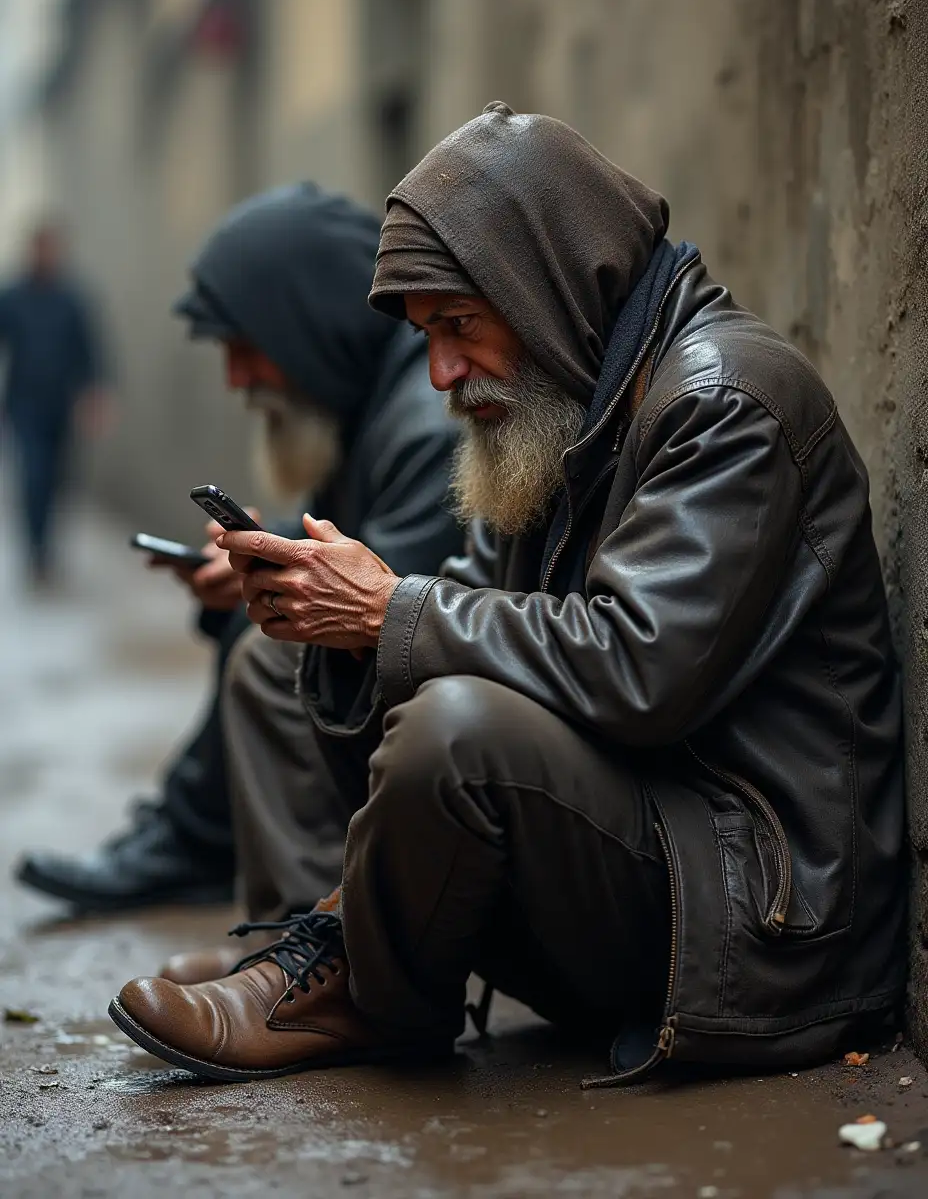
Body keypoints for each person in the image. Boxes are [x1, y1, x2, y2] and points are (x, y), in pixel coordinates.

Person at [109, 104, 905, 1087]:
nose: (442, 371)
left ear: (543, 284)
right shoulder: (556, 394)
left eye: (457, 325)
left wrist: (389, 609)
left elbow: (642, 668)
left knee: (456, 724)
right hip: (650, 849)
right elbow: (481, 607)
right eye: (425, 334)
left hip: (762, 921)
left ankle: (362, 984)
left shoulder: (724, 399)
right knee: (292, 657)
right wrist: (340, 612)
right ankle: (320, 947)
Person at [15, 183, 462, 914]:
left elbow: (387, 601)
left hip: (422, 725)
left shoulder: (424, 422)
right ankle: (196, 837)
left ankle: (286, 924)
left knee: (277, 638)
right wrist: (261, 556)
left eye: (248, 349)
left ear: (308, 326)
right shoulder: (372, 404)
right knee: (267, 607)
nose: (237, 379)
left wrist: (275, 572)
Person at [0, 222, 106, 583]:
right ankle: (36, 553)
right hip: (23, 404)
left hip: (61, 405)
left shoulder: (71, 298)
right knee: (33, 476)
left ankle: (48, 547)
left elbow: (90, 351)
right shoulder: (12, 296)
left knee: (58, 481)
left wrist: (95, 395)